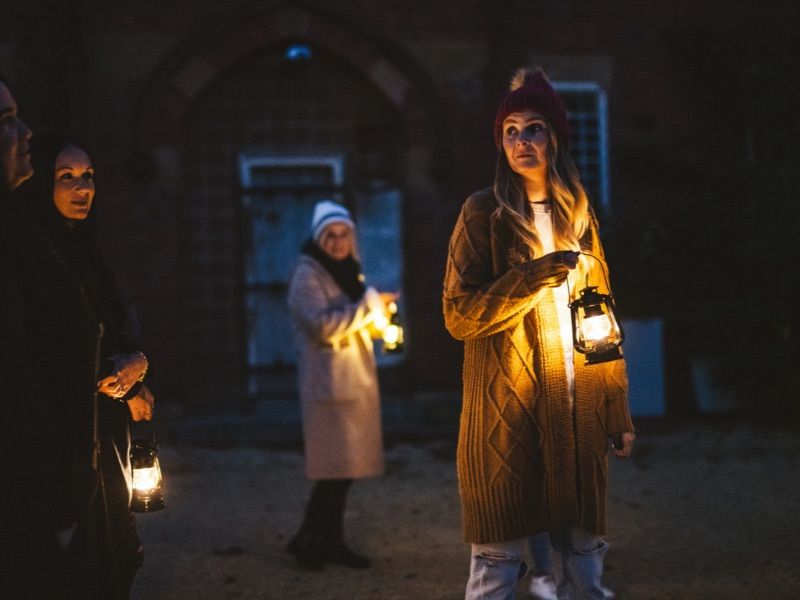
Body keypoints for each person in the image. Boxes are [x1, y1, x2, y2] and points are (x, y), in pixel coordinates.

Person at [442, 68, 635, 600]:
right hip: (506, 419)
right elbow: (459, 315)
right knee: (498, 569)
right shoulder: (483, 213)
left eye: (534, 128)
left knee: (585, 572)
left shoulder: (579, 214)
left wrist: (615, 411)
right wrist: (529, 278)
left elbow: (602, 322)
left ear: (556, 137)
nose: (522, 141)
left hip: (578, 414)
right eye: (510, 130)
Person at [17, 132, 154, 599]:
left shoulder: (85, 252)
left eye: (89, 177)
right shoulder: (37, 258)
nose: (83, 189)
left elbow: (109, 330)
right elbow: (55, 347)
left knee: (120, 549)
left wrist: (135, 373)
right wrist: (124, 372)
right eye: (67, 177)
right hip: (67, 432)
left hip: (104, 426)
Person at [286, 200, 394, 571]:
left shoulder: (347, 271)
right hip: (328, 384)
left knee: (342, 473)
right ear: (318, 239)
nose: (336, 241)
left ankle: (321, 541)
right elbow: (323, 325)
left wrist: (376, 313)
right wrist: (371, 306)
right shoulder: (308, 273)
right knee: (334, 472)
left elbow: (350, 318)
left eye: (343, 234)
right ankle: (313, 542)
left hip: (349, 381)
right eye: (329, 235)